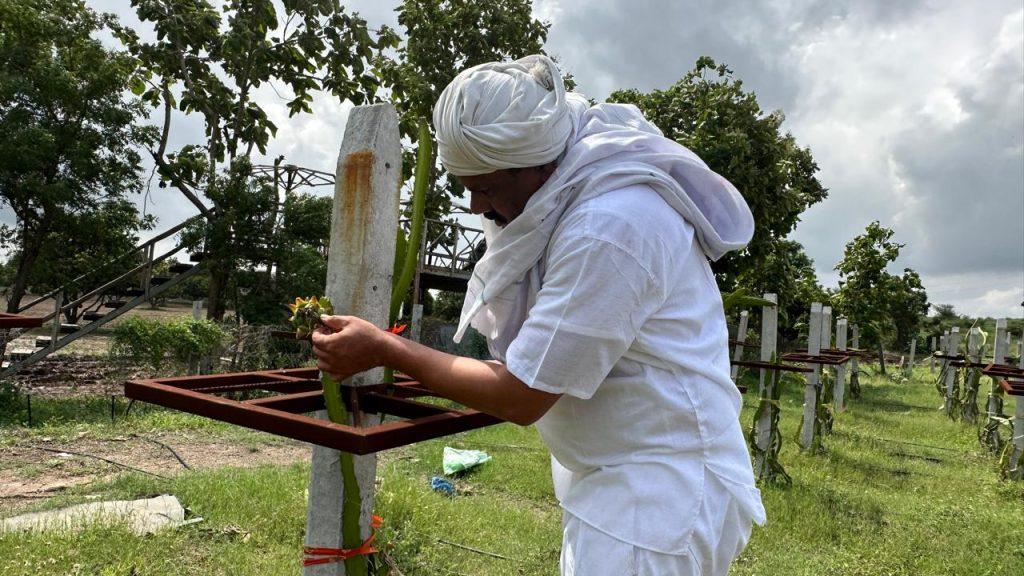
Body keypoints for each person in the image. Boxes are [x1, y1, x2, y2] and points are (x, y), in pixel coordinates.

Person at [311, 54, 766, 576]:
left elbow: (521, 395)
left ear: (536, 163)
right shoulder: (573, 188)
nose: (477, 206)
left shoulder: (612, 227)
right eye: (466, 184)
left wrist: (385, 347)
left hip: (658, 497)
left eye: (487, 187)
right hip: (625, 484)